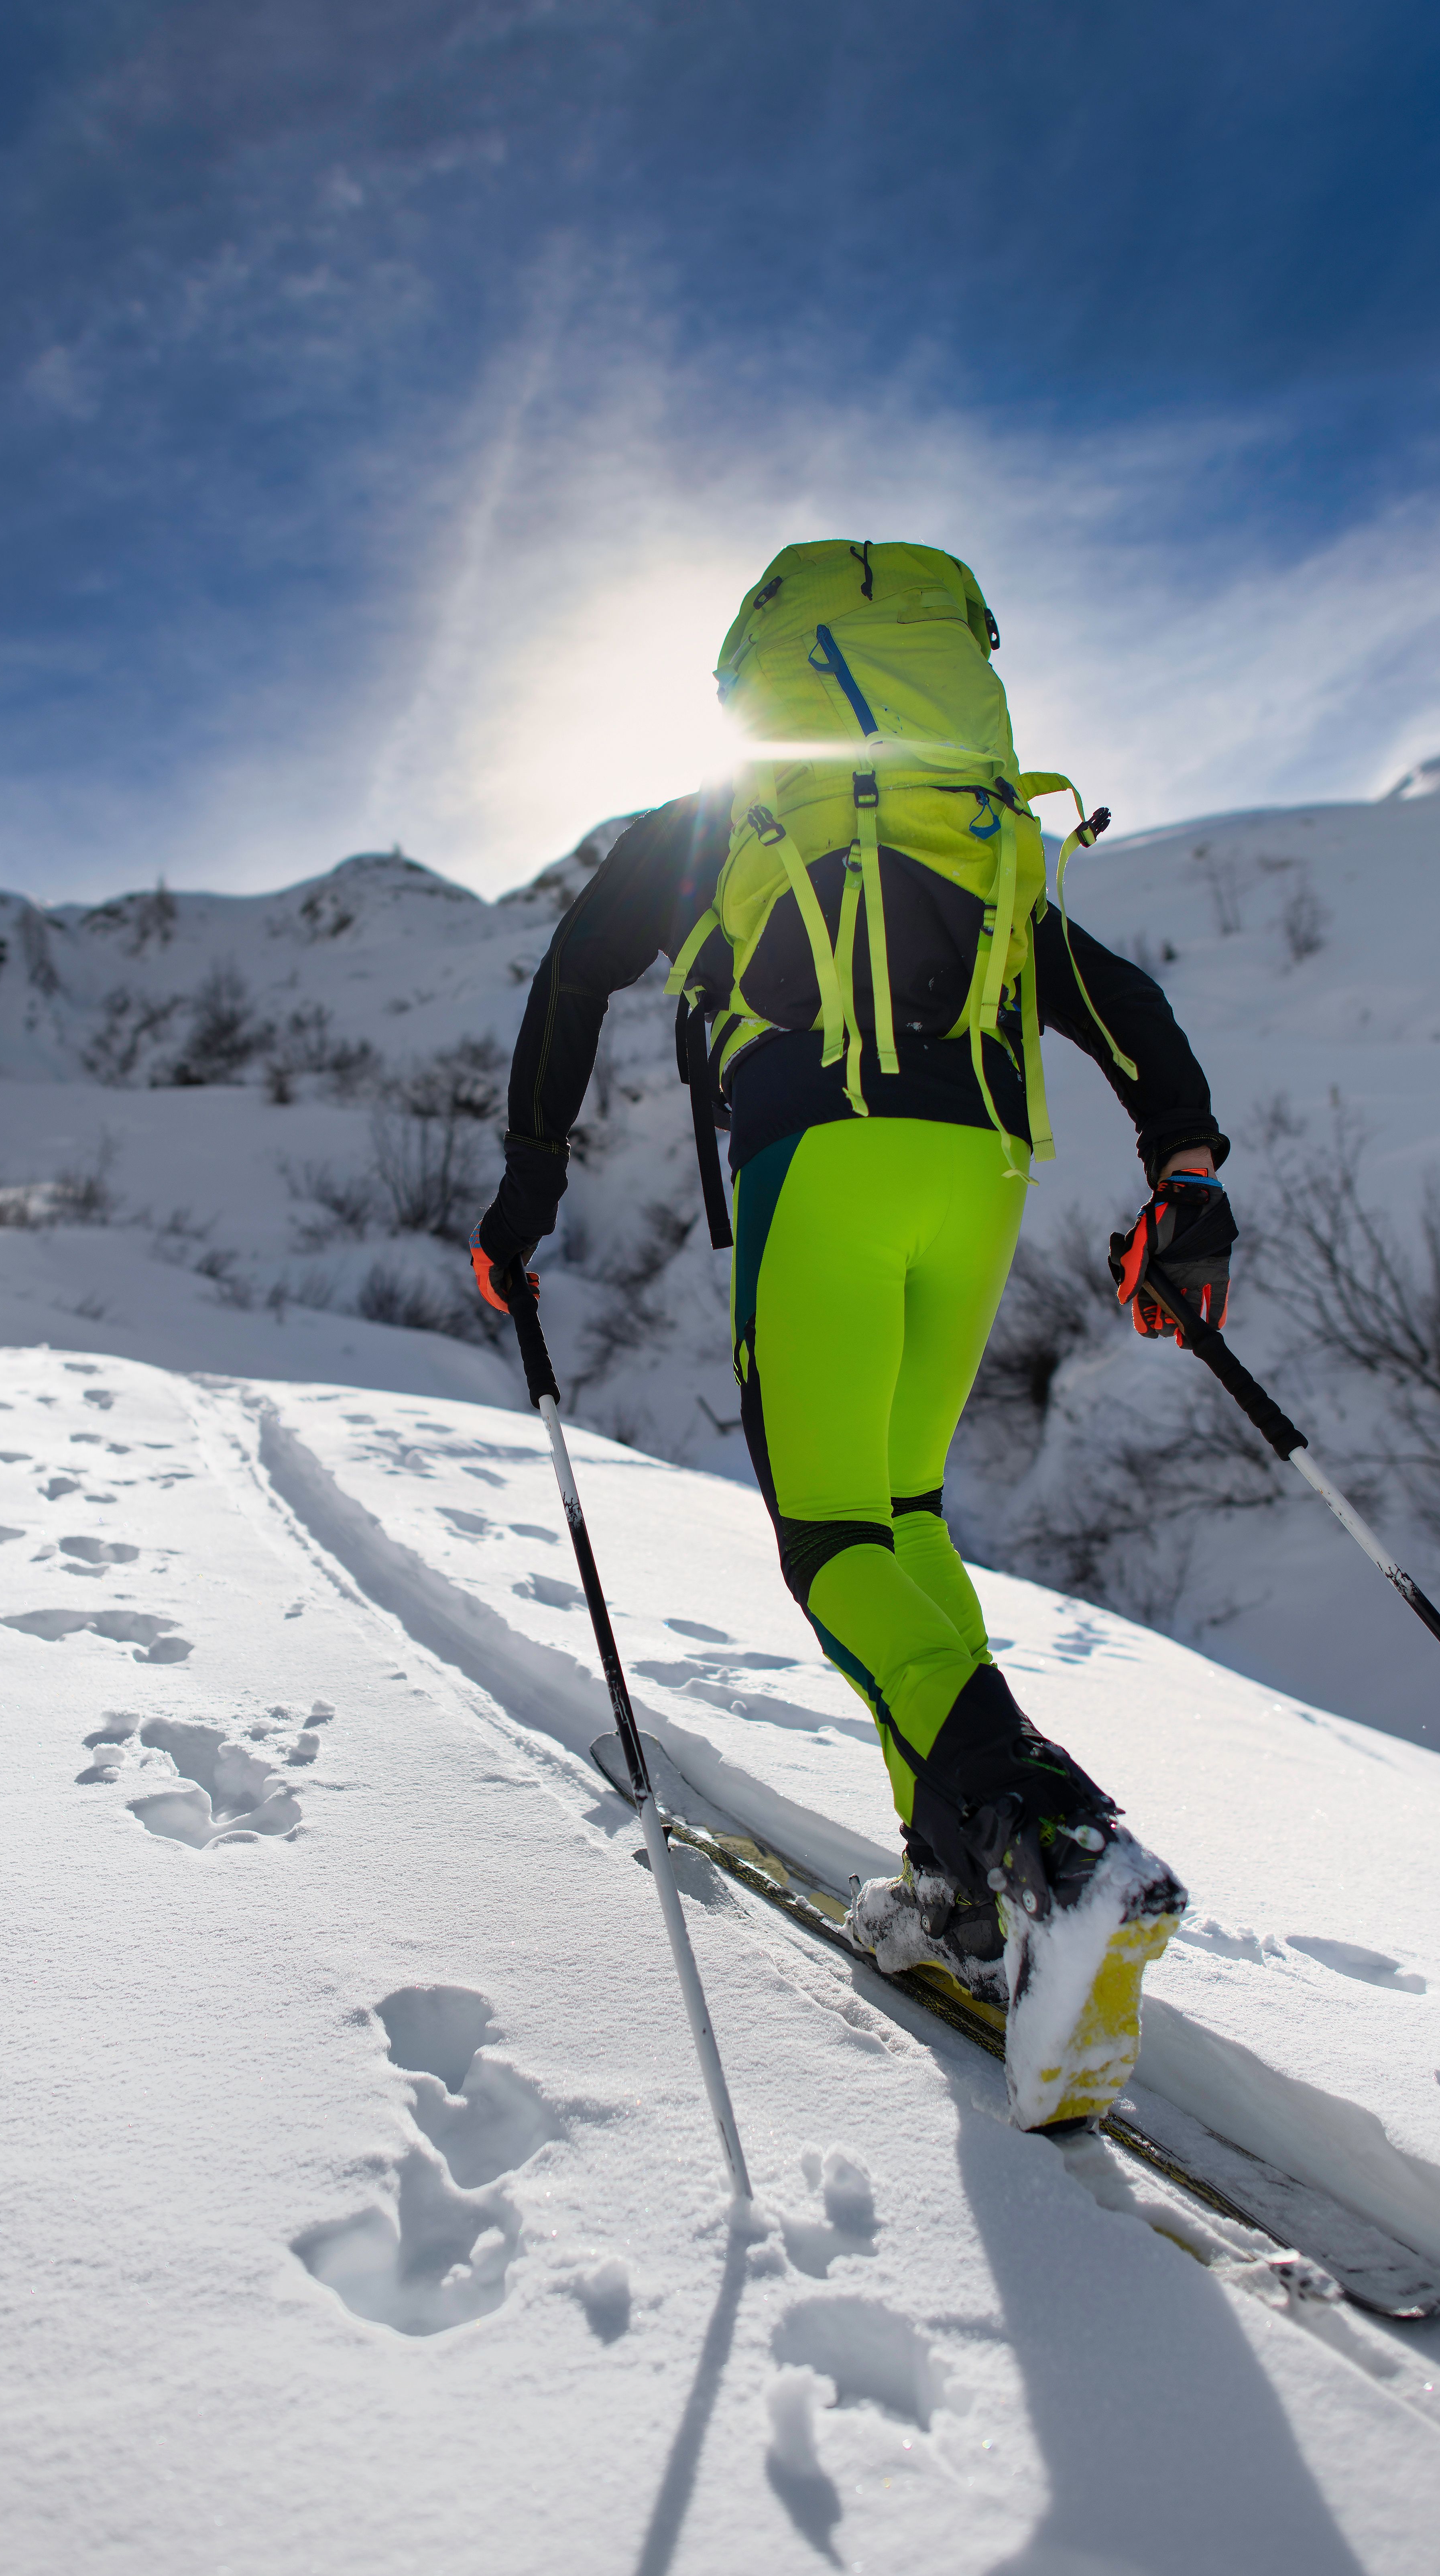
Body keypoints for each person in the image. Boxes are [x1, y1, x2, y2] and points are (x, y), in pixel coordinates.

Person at [470, 553, 1235, 2033]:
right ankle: (957, 1882)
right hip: (981, 1181)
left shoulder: (733, 817)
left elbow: (574, 972)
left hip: (822, 1164)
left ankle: (1047, 1833)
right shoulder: (971, 830)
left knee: (826, 1541)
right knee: (901, 1517)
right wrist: (1188, 1183)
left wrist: (526, 1188)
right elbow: (1116, 997)